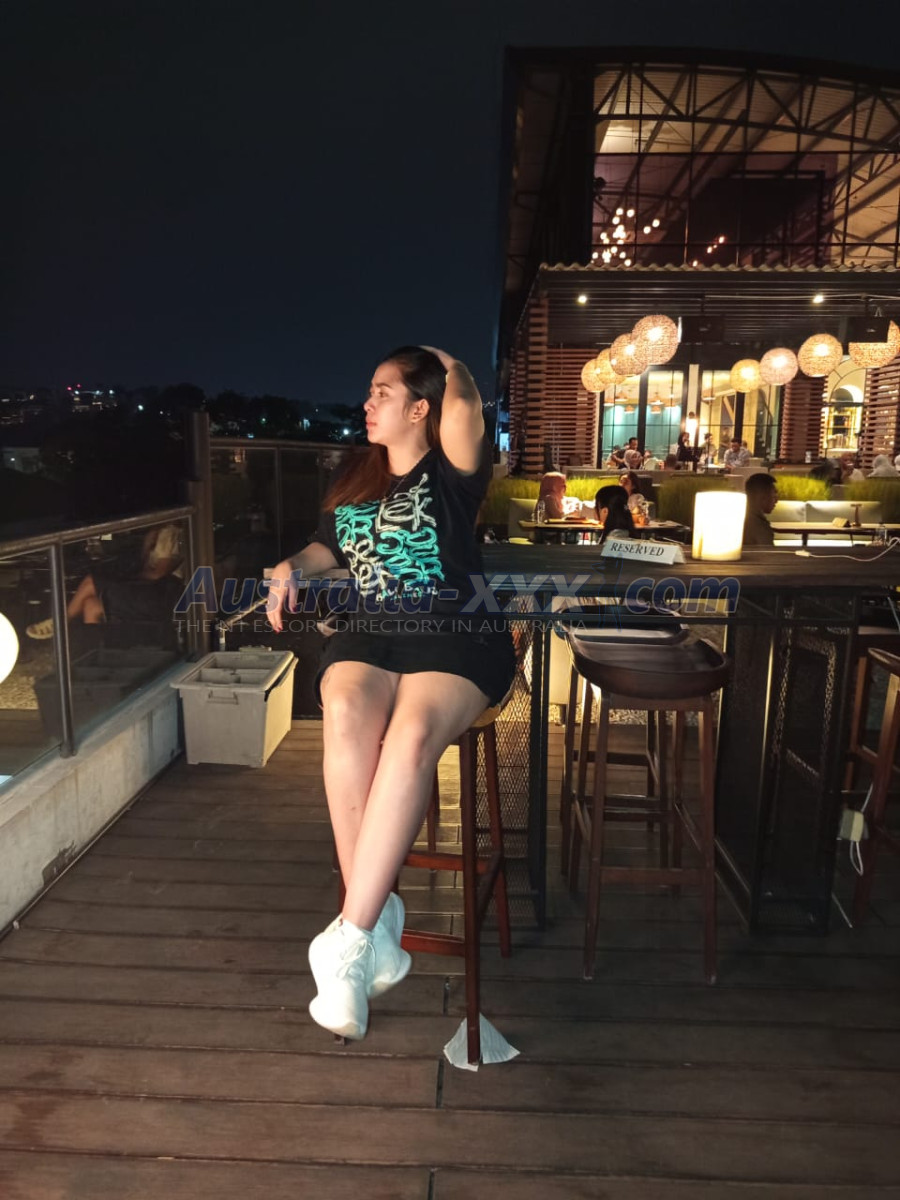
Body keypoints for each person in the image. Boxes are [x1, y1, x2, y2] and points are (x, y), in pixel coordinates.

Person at [265, 346, 516, 1042]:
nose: (367, 403)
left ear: (419, 408)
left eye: (383, 391)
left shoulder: (453, 467)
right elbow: (329, 548)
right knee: (344, 709)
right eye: (369, 391)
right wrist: (291, 565)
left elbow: (465, 398)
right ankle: (373, 924)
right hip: (373, 631)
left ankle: (352, 937)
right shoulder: (357, 475)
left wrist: (440, 358)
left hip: (454, 631)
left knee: (409, 737)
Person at [26, 524, 183, 639]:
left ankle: (61, 622)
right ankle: (95, 648)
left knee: (91, 582)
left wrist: (125, 580)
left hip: (161, 597)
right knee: (91, 605)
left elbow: (158, 574)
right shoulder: (154, 532)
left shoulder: (170, 533)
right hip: (148, 592)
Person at [743, 473, 778, 547]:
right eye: (774, 496)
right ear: (762, 496)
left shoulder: (743, 518)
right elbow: (767, 552)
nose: (776, 500)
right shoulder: (757, 527)